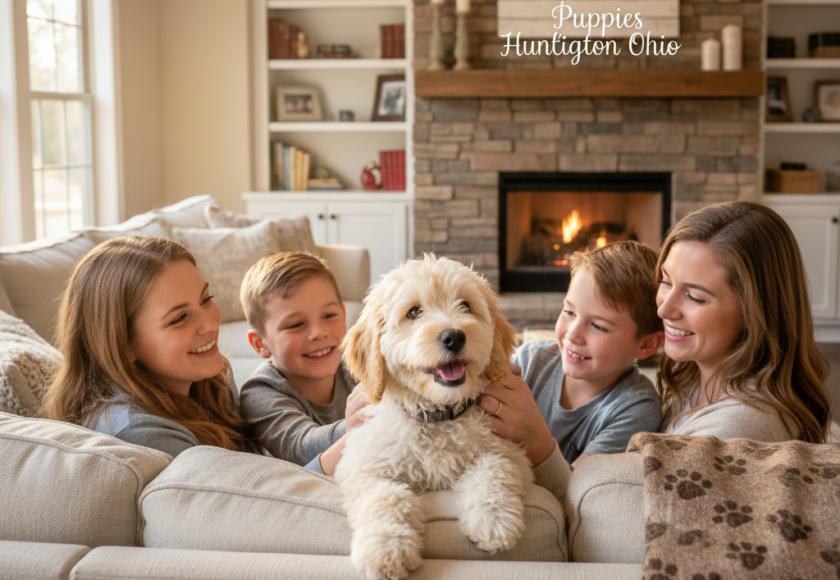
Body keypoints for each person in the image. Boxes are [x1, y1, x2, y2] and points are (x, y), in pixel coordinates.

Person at [40, 236, 258, 459]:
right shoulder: (140, 434)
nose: (211, 324)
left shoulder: (208, 385)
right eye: (180, 318)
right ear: (123, 345)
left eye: (205, 299)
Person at [477, 242, 664, 498]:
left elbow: (576, 495)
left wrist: (535, 435)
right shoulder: (530, 360)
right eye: (569, 311)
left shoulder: (635, 409)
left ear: (646, 344)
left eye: (598, 326)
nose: (573, 335)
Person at [655, 201, 831, 442]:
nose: (664, 310)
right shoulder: (694, 377)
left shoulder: (734, 428)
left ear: (755, 310)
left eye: (695, 297)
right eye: (666, 281)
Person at [238, 252, 364, 474]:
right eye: (295, 324)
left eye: (329, 316)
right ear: (260, 343)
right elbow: (301, 448)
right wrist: (360, 423)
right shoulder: (259, 391)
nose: (318, 333)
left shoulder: (354, 360)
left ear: (344, 315)